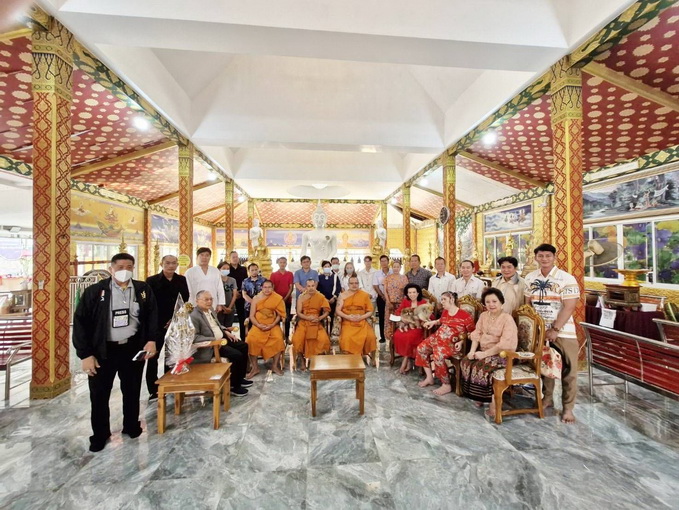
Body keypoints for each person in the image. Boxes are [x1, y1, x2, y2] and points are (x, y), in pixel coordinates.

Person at [73, 253, 158, 452]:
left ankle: (131, 425)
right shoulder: (96, 291)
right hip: (103, 351)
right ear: (111, 268)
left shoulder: (142, 290)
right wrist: (85, 354)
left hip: (132, 348)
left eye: (129, 267)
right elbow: (81, 323)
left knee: (132, 389)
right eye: (120, 267)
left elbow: (152, 315)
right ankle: (100, 434)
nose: (124, 271)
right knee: (99, 394)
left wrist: (151, 340)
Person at [524, 243, 580, 424]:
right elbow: (528, 305)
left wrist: (555, 329)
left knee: (569, 370)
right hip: (540, 332)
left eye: (548, 256)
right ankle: (547, 398)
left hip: (564, 332)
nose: (544, 259)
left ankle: (568, 408)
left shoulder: (566, 278)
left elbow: (569, 306)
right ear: (536, 258)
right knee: (545, 367)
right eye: (541, 256)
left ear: (554, 257)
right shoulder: (530, 278)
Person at [461, 288, 518, 417]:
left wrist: (484, 354)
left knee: (483, 367)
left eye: (494, 301)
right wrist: (472, 351)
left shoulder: (507, 319)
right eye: (487, 302)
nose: (491, 304)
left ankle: (494, 406)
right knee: (467, 361)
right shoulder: (483, 315)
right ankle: (480, 396)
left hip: (503, 355)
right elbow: (477, 333)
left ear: (501, 302)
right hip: (484, 351)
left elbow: (505, 344)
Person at [190, 290, 252, 397]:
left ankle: (240, 378)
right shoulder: (194, 316)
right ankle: (234, 386)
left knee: (244, 346)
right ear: (197, 301)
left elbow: (217, 325)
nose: (209, 302)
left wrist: (226, 331)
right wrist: (214, 339)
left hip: (222, 338)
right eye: (206, 299)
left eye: (211, 299)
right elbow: (195, 337)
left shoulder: (211, 310)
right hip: (213, 345)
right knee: (236, 355)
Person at [145, 254, 189, 400]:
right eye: (168, 263)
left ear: (177, 264)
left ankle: (170, 382)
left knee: (171, 354)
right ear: (161, 264)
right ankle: (153, 389)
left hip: (175, 322)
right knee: (153, 356)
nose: (171, 266)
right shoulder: (151, 281)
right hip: (157, 323)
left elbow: (185, 300)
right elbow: (149, 304)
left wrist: (175, 318)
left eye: (173, 263)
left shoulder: (181, 280)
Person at [416, 291, 475, 396]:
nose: (442, 302)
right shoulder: (445, 311)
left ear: (452, 300)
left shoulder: (464, 315)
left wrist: (461, 341)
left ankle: (446, 384)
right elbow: (441, 320)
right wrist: (433, 322)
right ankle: (429, 377)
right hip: (437, 338)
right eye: (441, 299)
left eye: (444, 299)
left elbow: (472, 332)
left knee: (438, 356)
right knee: (421, 348)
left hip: (451, 343)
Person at [246, 280, 287, 378]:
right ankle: (255, 367)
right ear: (261, 288)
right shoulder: (256, 298)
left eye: (269, 287)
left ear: (273, 288)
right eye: (265, 287)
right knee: (250, 339)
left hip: (272, 325)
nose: (267, 289)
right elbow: (251, 316)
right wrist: (258, 325)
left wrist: (272, 325)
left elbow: (280, 315)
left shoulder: (277, 298)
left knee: (278, 338)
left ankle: (275, 366)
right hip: (258, 325)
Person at [291, 279, 331, 369]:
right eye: (309, 286)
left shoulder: (320, 296)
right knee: (297, 340)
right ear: (306, 287)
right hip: (304, 322)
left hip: (316, 322)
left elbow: (327, 311)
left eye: (312, 286)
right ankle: (302, 360)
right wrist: (307, 318)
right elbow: (299, 312)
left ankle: (315, 359)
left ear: (315, 286)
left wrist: (319, 318)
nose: (311, 288)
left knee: (323, 339)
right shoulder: (301, 297)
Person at [336, 276, 377, 362]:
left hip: (362, 321)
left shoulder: (364, 295)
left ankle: (372, 358)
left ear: (359, 284)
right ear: (348, 284)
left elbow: (370, 311)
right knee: (346, 338)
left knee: (371, 337)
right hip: (348, 321)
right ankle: (349, 358)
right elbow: (338, 310)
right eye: (352, 283)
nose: (354, 285)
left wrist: (361, 317)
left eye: (356, 283)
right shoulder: (343, 295)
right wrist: (348, 317)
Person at [392, 284, 431, 374]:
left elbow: (429, 316)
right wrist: (403, 319)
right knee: (397, 335)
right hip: (406, 325)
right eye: (409, 293)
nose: (412, 294)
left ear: (418, 293)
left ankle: (405, 361)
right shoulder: (405, 301)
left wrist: (420, 318)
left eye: (414, 292)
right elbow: (398, 312)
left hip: (418, 327)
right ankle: (408, 360)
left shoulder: (423, 302)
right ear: (407, 294)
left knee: (409, 337)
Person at [384, 259, 408, 343]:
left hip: (400, 304)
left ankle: (399, 339)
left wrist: (404, 303)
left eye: (398, 267)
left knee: (399, 320)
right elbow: (385, 291)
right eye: (394, 267)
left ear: (400, 268)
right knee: (390, 321)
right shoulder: (388, 278)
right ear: (392, 267)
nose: (396, 268)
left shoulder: (404, 278)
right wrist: (388, 301)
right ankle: (390, 340)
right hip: (390, 303)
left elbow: (406, 291)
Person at [269, 256, 294, 339]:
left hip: (287, 300)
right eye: (281, 262)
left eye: (284, 262)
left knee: (287, 319)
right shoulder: (273, 275)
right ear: (278, 263)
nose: (282, 264)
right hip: (276, 301)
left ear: (286, 263)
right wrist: (278, 299)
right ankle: (278, 337)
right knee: (276, 319)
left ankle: (286, 337)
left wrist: (285, 298)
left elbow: (291, 287)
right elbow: (272, 288)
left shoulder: (290, 274)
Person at [228, 250, 249, 341]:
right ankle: (229, 338)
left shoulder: (243, 269)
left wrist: (241, 292)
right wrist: (233, 293)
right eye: (233, 257)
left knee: (242, 317)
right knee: (229, 317)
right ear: (229, 258)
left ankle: (243, 338)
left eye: (236, 257)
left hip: (241, 295)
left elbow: (245, 281)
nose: (235, 259)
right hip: (229, 295)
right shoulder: (226, 268)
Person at [317, 260, 342, 331]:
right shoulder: (319, 277)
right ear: (322, 268)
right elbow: (318, 289)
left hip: (332, 300)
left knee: (331, 317)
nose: (327, 268)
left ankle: (330, 332)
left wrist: (334, 297)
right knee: (321, 316)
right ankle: (322, 332)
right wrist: (324, 299)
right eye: (325, 266)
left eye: (328, 266)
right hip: (322, 300)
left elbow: (338, 287)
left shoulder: (335, 277)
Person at [372, 254, 391, 343]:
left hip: (392, 298)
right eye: (382, 261)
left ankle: (391, 334)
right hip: (381, 297)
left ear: (388, 262)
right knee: (382, 316)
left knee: (391, 316)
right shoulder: (377, 273)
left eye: (385, 261)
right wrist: (382, 296)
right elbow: (375, 286)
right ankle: (382, 336)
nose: (383, 263)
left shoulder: (393, 272)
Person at [216, 260, 238, 328]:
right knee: (220, 327)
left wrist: (229, 308)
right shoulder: (216, 280)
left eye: (228, 269)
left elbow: (234, 295)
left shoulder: (232, 280)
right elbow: (216, 295)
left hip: (231, 307)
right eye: (224, 268)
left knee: (229, 327)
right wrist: (224, 308)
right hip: (219, 307)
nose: (226, 270)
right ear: (219, 269)